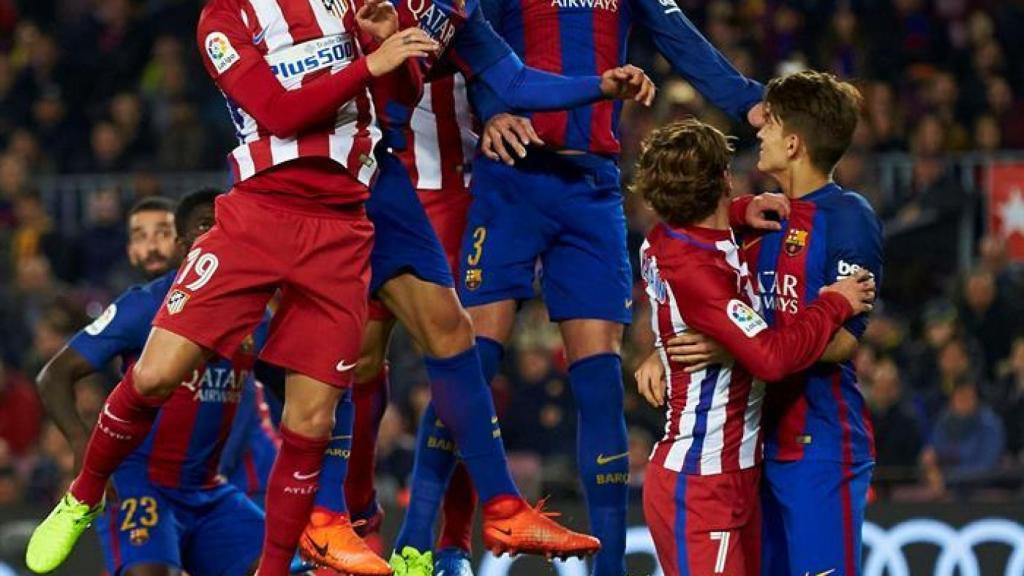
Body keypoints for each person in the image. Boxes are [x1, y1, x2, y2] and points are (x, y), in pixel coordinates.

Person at [25, 2, 443, 574]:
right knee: (152, 374)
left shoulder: (351, 4)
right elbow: (276, 110)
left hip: (341, 226)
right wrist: (368, 66)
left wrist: (387, 43)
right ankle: (83, 495)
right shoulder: (222, 19)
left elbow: (401, 97)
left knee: (313, 421)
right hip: (257, 216)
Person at [399, 1, 777, 574]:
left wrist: (751, 102)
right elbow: (465, 39)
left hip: (591, 187)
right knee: (469, 363)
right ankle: (418, 548)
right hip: (511, 178)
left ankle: (610, 566)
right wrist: (494, 109)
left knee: (599, 384)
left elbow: (678, 36)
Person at [304, 0, 656, 572]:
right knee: (355, 365)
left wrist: (596, 86)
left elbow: (512, 75)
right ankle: (350, 521)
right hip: (365, 184)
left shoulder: (457, 10)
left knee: (461, 358)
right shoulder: (339, 9)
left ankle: (443, 543)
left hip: (460, 190)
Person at [630, 118, 874, 576]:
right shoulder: (704, 273)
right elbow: (772, 358)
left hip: (733, 475)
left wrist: (741, 211)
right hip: (701, 484)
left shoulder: (667, 238)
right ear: (724, 178)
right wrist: (835, 304)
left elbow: (699, 238)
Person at [30, 192, 269, 576]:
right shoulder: (145, 304)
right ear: (184, 246)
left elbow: (290, 383)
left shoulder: (255, 312)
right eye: (205, 227)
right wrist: (80, 442)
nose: (217, 236)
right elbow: (54, 375)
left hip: (207, 489)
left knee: (282, 565)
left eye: (225, 226)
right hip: (139, 481)